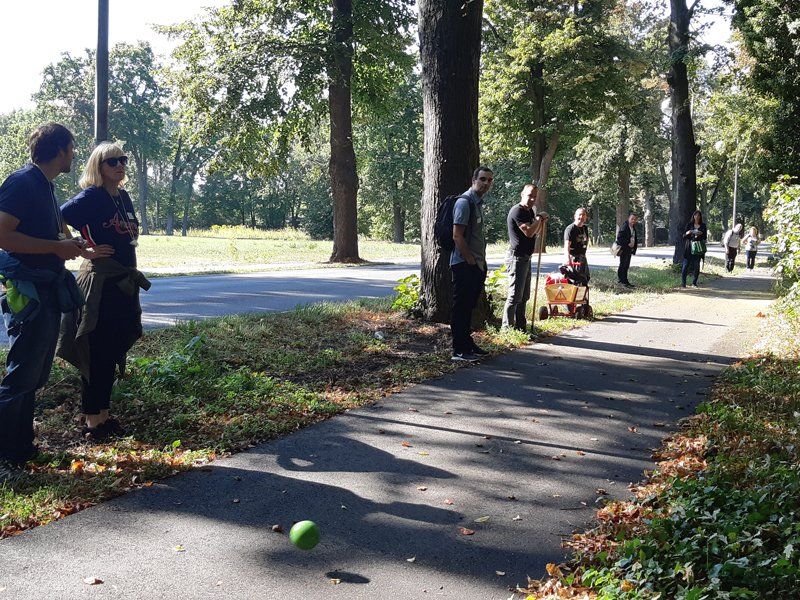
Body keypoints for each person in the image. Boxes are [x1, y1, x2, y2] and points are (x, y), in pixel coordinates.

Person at [0, 123, 97, 477]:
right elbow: (3, 235)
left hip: (47, 288)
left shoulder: (44, 186)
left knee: (35, 373)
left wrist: (73, 247)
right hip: (30, 292)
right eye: (72, 148)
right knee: (21, 374)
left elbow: (49, 235)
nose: (74, 154)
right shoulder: (23, 182)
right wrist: (56, 248)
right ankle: (6, 459)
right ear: (60, 149)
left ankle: (22, 448)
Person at [57, 142, 149, 440]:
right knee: (95, 349)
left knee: (111, 349)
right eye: (112, 162)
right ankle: (92, 422)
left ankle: (102, 414)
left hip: (122, 282)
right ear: (98, 166)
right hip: (100, 284)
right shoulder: (92, 197)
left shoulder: (122, 197)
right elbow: (58, 216)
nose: (119, 165)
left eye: (122, 160)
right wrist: (82, 249)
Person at [450, 166, 493, 362]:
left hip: (475, 265)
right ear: (474, 179)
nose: (486, 183)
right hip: (463, 265)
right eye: (482, 179)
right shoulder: (464, 203)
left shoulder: (477, 204)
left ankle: (468, 345)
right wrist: (470, 260)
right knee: (461, 308)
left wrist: (480, 263)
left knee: (468, 307)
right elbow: (457, 236)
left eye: (489, 180)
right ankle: (459, 350)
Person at [502, 182, 547, 331]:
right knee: (515, 295)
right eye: (529, 196)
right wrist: (539, 219)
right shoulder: (517, 211)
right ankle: (507, 329)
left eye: (534, 197)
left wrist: (540, 221)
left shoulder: (529, 212)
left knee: (524, 296)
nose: (532, 199)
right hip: (516, 257)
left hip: (526, 257)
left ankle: (521, 327)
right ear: (522, 194)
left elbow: (535, 232)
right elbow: (528, 231)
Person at [681, 210, 707, 288]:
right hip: (689, 247)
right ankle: (683, 283)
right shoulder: (689, 225)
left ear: (700, 217)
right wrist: (688, 233)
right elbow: (683, 236)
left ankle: (694, 283)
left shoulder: (703, 226)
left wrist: (700, 234)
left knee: (696, 266)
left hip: (698, 248)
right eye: (695, 215)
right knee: (685, 265)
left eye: (699, 215)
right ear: (693, 216)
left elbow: (705, 237)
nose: (697, 217)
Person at [563, 207, 590, 277]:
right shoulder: (570, 229)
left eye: (584, 215)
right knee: (573, 280)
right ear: (575, 216)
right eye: (580, 214)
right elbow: (567, 246)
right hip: (573, 258)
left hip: (582, 257)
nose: (582, 217)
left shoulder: (585, 228)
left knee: (584, 279)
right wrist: (568, 259)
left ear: (586, 217)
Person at [615, 212, 639, 287]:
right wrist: (628, 243)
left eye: (635, 219)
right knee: (623, 264)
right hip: (624, 249)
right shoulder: (625, 226)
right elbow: (619, 238)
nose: (633, 220)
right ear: (629, 218)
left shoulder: (633, 227)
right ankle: (621, 280)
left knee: (626, 265)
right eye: (632, 219)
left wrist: (633, 247)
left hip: (629, 249)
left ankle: (625, 280)